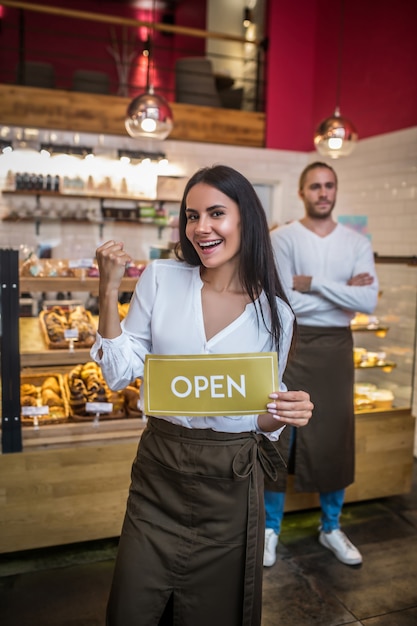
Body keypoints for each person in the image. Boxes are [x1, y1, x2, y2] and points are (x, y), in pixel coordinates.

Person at [90, 164, 313, 626]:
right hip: (159, 476)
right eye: (192, 216)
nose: (201, 228)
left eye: (216, 213)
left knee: (214, 612)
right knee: (132, 607)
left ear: (245, 220)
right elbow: (119, 373)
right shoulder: (162, 278)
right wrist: (108, 290)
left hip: (230, 484)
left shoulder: (277, 315)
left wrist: (284, 413)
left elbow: (258, 419)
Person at [263, 161, 379, 568]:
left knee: (334, 432)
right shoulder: (283, 238)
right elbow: (287, 302)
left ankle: (331, 527)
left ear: (335, 190)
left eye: (329, 185)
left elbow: (369, 302)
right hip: (293, 343)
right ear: (302, 192)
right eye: (315, 186)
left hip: (336, 348)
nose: (323, 192)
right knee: (280, 430)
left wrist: (312, 283)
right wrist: (344, 293)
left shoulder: (355, 242)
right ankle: (269, 529)